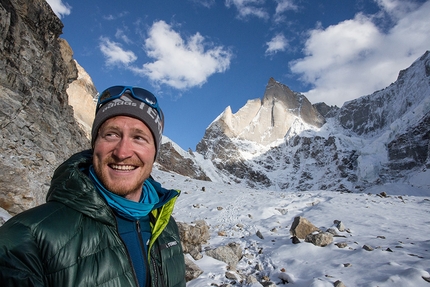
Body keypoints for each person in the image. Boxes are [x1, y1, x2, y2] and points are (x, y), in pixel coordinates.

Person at [0, 86, 186, 287]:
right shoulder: (26, 240)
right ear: (94, 143)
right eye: (111, 135)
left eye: (139, 138)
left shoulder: (166, 226)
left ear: (155, 153)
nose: (122, 152)